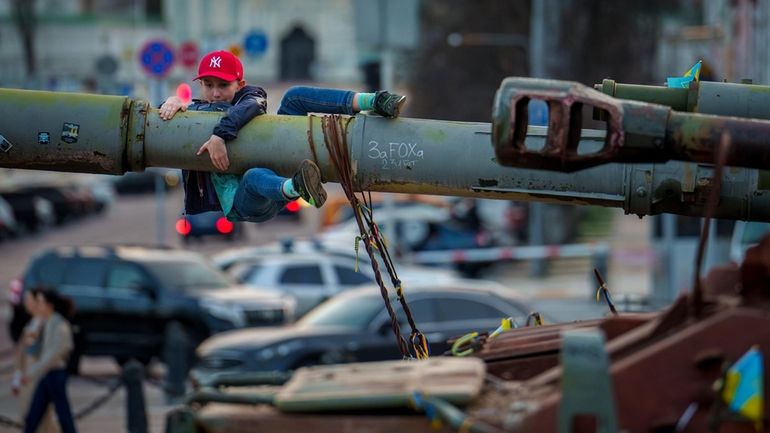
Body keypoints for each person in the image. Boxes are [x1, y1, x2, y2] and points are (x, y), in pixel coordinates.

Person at [159, 50, 406, 223]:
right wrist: (170, 102)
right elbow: (162, 120)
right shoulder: (195, 111)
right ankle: (299, 188)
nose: (214, 93)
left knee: (294, 96)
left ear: (239, 84)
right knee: (254, 176)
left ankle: (374, 100)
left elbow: (253, 103)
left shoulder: (250, 98)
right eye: (208, 84)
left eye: (223, 85)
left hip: (277, 171)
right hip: (245, 202)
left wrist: (219, 136)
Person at [22, 288, 78, 433]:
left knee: (63, 416)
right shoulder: (47, 323)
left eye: (40, 302)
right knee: (34, 416)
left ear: (49, 305)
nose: (38, 306)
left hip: (55, 374)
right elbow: (31, 346)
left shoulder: (59, 325)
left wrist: (31, 373)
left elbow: (52, 355)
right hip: (48, 375)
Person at [11, 292, 57, 433]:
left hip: (38, 378)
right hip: (28, 379)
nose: (27, 304)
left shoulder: (48, 324)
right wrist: (17, 378)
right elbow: (21, 355)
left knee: (42, 419)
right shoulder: (33, 323)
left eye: (31, 300)